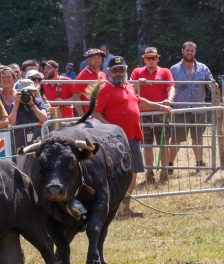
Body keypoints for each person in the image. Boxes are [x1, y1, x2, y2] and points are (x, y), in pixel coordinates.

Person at [91, 56, 172, 217]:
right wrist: (111, 128)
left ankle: (124, 207)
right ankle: (111, 208)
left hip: (133, 138)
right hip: (113, 141)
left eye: (122, 70)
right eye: (115, 70)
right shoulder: (104, 89)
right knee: (114, 175)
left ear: (126, 71)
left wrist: (160, 106)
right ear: (109, 72)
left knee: (133, 172)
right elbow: (95, 112)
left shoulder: (128, 86)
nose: (119, 73)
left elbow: (139, 102)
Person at [130, 47, 175, 184]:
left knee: (164, 144)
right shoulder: (137, 72)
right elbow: (130, 88)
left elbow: (171, 87)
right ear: (144, 59)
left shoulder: (165, 71)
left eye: (153, 58)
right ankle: (149, 174)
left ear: (157, 59)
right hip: (144, 113)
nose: (151, 60)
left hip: (162, 112)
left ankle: (164, 172)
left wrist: (169, 100)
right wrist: (138, 83)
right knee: (147, 145)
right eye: (148, 58)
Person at [168, 41, 215, 171]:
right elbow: (169, 87)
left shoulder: (203, 68)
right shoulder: (174, 69)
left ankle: (199, 163)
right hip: (180, 109)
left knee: (198, 138)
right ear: (182, 51)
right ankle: (169, 165)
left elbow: (211, 84)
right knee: (176, 140)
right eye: (187, 50)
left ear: (195, 52)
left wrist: (210, 86)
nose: (189, 52)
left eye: (192, 50)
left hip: (198, 108)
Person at [8, 79, 49, 147]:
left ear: (34, 92)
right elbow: (11, 122)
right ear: (19, 93)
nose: (28, 94)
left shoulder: (38, 102)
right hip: (20, 143)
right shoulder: (15, 104)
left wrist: (33, 105)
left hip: (38, 140)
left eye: (30, 91)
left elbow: (44, 119)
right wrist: (16, 104)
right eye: (24, 92)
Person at [73, 48, 107, 116]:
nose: (97, 60)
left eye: (99, 58)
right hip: (90, 116)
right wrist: (83, 117)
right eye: (94, 58)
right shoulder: (82, 75)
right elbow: (76, 97)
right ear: (89, 60)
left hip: (102, 114)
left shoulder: (103, 74)